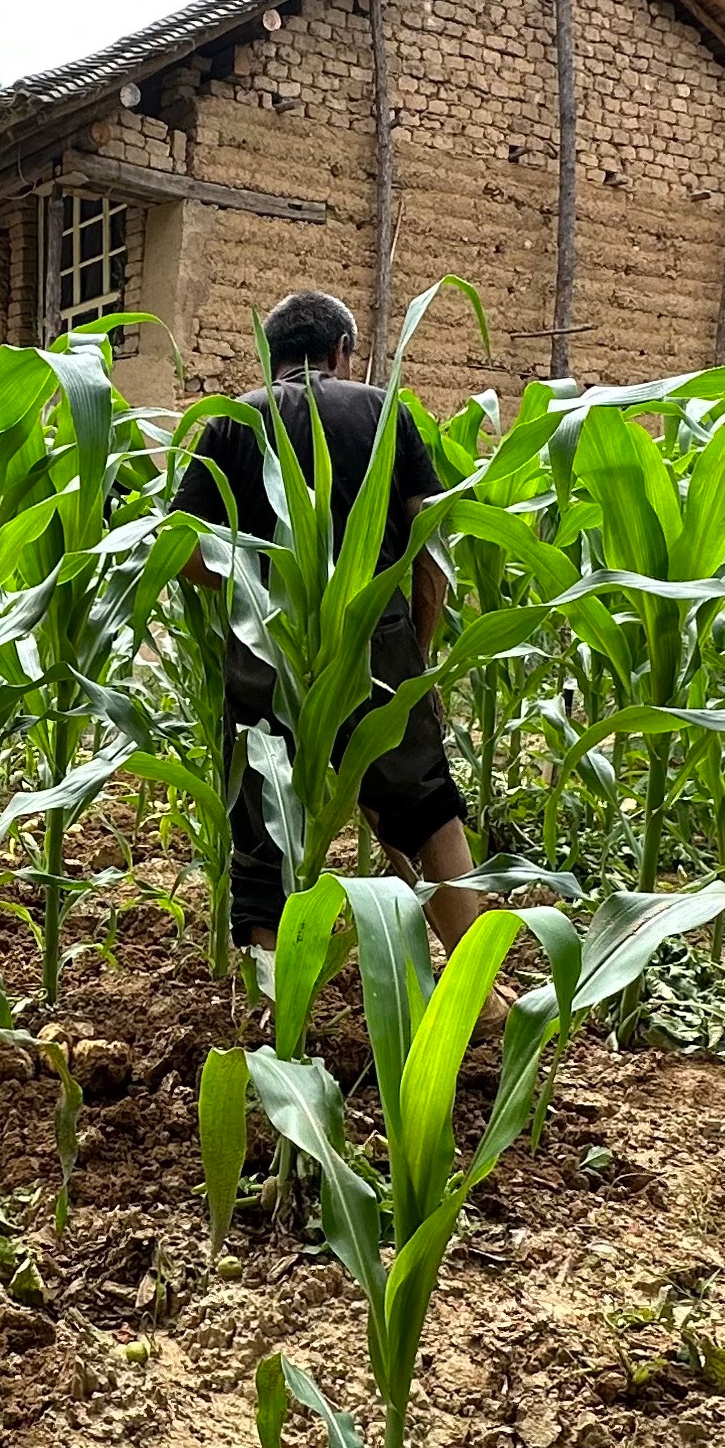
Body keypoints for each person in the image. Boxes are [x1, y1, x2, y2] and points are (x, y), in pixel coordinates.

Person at [172, 289, 489, 958]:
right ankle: (476, 980)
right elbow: (427, 550)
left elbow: (182, 555)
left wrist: (255, 584)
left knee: (263, 827)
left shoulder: (232, 420)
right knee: (426, 803)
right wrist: (417, 654)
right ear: (342, 351)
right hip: (377, 639)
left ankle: (271, 1008)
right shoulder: (381, 409)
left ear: (273, 355)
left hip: (268, 650)